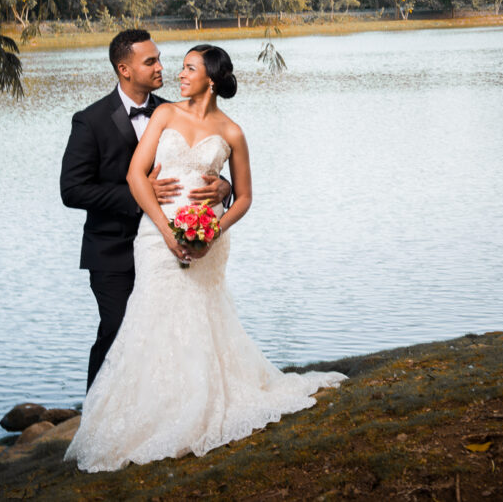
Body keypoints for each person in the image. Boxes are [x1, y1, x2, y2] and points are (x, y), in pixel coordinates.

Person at [64, 45, 346, 473]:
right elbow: (118, 179)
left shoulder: (229, 130)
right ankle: (120, 413)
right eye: (158, 63)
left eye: (185, 67)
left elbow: (243, 192)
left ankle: (196, 400)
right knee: (137, 323)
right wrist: (164, 227)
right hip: (142, 238)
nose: (171, 71)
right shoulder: (134, 117)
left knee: (199, 316)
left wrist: (215, 217)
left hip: (205, 240)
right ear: (124, 69)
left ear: (209, 79)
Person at [60, 29, 230, 392]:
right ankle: (95, 413)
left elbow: (205, 165)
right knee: (118, 332)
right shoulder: (89, 121)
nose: (160, 67)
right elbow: (72, 190)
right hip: (113, 251)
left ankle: (162, 406)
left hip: (167, 246)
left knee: (168, 333)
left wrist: (225, 187)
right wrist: (137, 193)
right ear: (124, 69)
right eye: (150, 61)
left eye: (159, 59)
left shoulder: (172, 111)